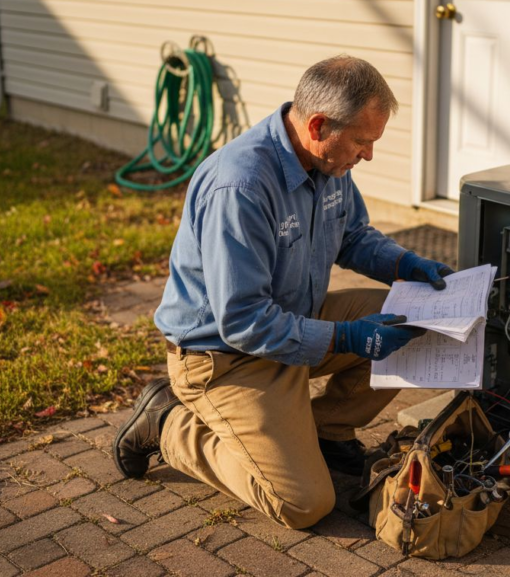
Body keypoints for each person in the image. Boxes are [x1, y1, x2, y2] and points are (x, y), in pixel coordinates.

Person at [112, 55, 453, 529]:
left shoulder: (329, 162)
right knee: (304, 503)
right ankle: (168, 424)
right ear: (318, 125)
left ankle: (327, 431)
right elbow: (244, 322)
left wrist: (404, 264)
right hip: (223, 356)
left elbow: (352, 235)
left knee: (409, 318)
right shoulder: (241, 186)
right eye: (362, 141)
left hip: (292, 324)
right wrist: (349, 338)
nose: (368, 155)